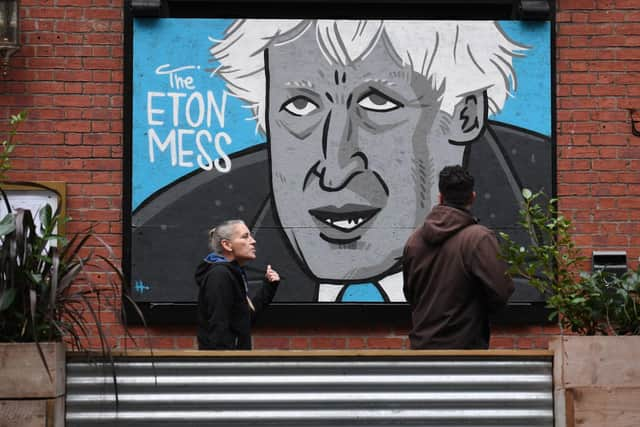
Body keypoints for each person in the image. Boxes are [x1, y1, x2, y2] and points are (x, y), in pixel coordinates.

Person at [131, 20, 550, 305]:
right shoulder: (164, 228)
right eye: (299, 105)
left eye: (378, 102)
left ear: (465, 115)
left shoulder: (544, 221)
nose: (334, 168)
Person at [402, 165, 514, 349]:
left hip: (421, 351)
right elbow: (501, 292)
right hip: (466, 353)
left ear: (440, 197)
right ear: (472, 197)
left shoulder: (414, 241)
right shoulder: (479, 239)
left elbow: (411, 294)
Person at [195, 219, 280, 349]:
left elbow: (244, 320)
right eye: (245, 237)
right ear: (227, 245)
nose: (253, 241)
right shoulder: (220, 275)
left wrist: (269, 286)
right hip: (226, 365)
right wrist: (228, 364)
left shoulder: (233, 273)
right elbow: (218, 326)